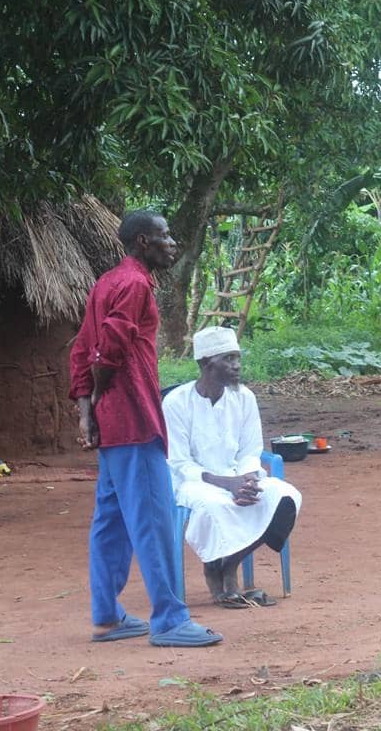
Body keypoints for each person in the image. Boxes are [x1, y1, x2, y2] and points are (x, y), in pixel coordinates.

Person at [69, 209, 222, 647]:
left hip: (112, 427)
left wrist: (87, 413)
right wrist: (99, 396)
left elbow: (81, 349)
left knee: (112, 521)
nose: (171, 242)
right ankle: (170, 620)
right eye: (164, 235)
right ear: (142, 242)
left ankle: (108, 617)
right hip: (134, 419)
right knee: (155, 519)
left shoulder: (105, 283)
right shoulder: (135, 284)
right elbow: (106, 351)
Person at [163, 325, 301, 609]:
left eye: (237, 358)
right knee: (214, 506)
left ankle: (228, 565)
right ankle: (213, 569)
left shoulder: (244, 398)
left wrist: (247, 480)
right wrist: (229, 485)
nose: (236, 366)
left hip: (240, 476)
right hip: (195, 484)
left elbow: (251, 450)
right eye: (227, 359)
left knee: (285, 497)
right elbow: (179, 463)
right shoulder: (176, 403)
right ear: (205, 363)